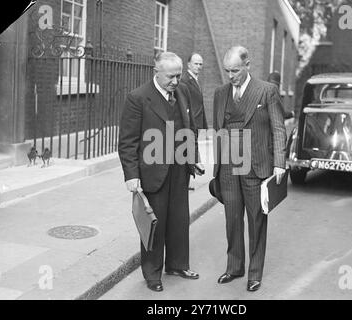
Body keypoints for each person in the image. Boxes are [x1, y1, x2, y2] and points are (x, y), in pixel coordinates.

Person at [118, 52, 202, 292]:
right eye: (171, 77)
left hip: (179, 169)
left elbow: (190, 127)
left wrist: (193, 157)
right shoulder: (138, 98)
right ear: (157, 72)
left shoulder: (182, 91)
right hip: (152, 172)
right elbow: (127, 141)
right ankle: (152, 274)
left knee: (179, 220)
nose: (176, 82)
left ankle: (177, 264)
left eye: (178, 76)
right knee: (155, 224)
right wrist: (131, 175)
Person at [212, 46, 287, 292]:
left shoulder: (267, 91)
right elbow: (219, 132)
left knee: (256, 222)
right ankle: (234, 267)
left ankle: (254, 273)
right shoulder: (220, 93)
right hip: (229, 169)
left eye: (235, 70)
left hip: (256, 167)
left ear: (247, 65)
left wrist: (279, 163)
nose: (230, 76)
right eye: (227, 71)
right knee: (232, 220)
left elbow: (278, 128)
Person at [181, 53, 208, 131]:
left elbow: (200, 105)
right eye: (196, 64)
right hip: (191, 125)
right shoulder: (184, 81)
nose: (198, 66)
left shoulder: (197, 80)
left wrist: (204, 126)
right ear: (189, 65)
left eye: (200, 64)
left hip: (199, 124)